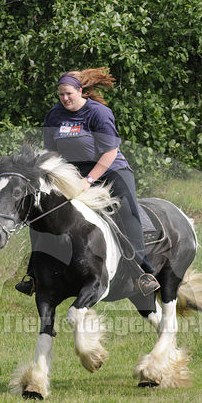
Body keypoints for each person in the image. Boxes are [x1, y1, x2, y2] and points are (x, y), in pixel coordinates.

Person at [15, 67, 160, 297]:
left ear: (81, 91)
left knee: (128, 213)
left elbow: (110, 152)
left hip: (111, 171)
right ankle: (33, 274)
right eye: (61, 95)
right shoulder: (54, 115)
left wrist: (89, 180)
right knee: (41, 210)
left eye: (69, 94)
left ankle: (142, 271)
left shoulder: (98, 113)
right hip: (72, 172)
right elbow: (51, 152)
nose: (65, 99)